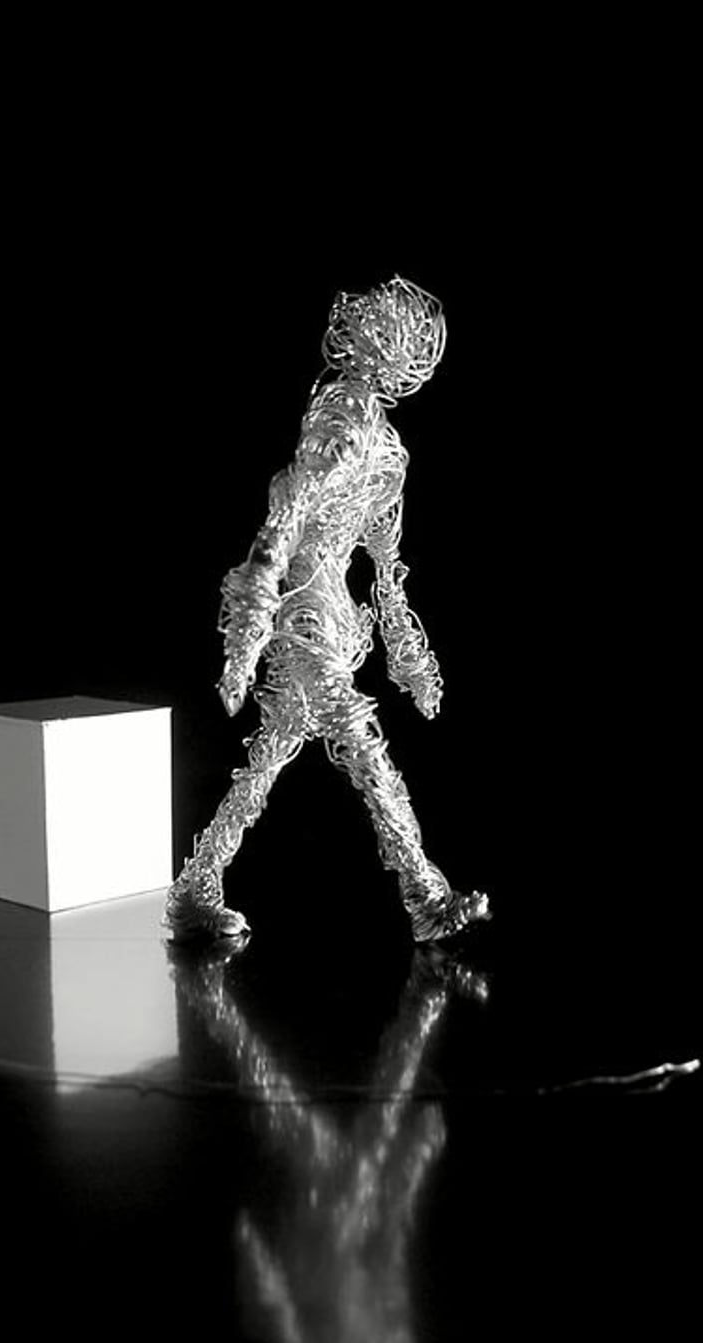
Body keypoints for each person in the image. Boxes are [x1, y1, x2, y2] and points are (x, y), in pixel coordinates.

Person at [166, 277, 491, 944]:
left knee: (267, 759)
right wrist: (247, 636)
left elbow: (386, 568)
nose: (398, 354)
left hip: (338, 615)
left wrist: (411, 660)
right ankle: (425, 894)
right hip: (304, 615)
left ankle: (194, 890)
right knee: (360, 740)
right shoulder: (338, 420)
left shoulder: (390, 454)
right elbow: (281, 526)